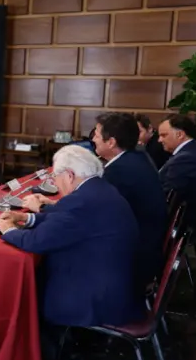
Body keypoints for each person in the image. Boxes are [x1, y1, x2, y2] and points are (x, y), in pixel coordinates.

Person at [0, 145, 140, 360]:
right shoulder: (99, 190)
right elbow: (64, 220)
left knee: (31, 293)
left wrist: (7, 230)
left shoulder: (80, 202)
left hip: (101, 292)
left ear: (70, 175)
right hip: (115, 277)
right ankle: (70, 353)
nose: (55, 183)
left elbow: (37, 242)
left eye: (56, 177)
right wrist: (27, 218)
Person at [24, 113, 167, 295]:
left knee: (50, 256)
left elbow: (84, 216)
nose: (93, 139)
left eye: (97, 135)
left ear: (111, 142)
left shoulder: (119, 172)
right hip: (143, 244)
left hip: (129, 260)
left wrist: (42, 208)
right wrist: (54, 203)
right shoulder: (137, 156)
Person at [157, 114, 196, 231]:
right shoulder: (194, 151)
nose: (159, 140)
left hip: (178, 221)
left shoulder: (186, 159)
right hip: (184, 215)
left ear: (180, 134)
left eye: (164, 135)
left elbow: (167, 195)